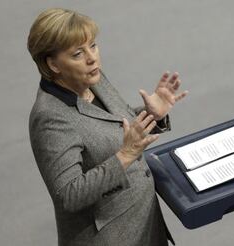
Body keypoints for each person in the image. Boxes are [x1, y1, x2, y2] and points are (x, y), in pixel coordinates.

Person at [27, 8, 188, 246]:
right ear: (53, 64)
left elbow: (112, 128)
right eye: (77, 53)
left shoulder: (92, 78)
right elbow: (69, 195)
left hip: (143, 225)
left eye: (93, 45)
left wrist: (151, 116)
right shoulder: (50, 118)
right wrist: (124, 156)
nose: (92, 58)